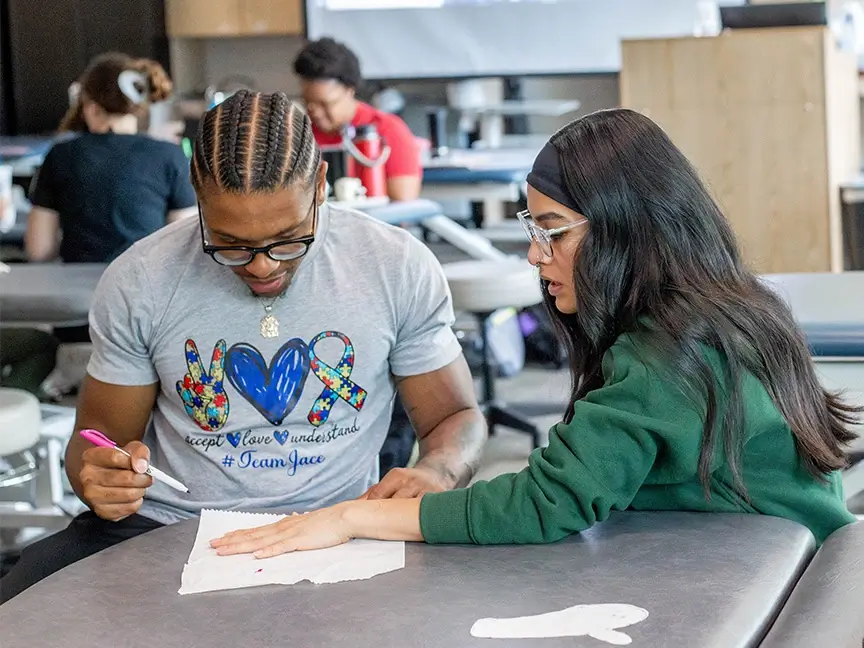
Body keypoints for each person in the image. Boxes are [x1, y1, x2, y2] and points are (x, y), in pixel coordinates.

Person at [207, 108, 859, 560]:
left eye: (553, 231)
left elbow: (547, 503)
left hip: (774, 590)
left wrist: (351, 516)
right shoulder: (728, 310)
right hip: (781, 564)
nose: (533, 254)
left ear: (623, 230)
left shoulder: (666, 357)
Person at [0, 90, 486, 604]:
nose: (262, 266)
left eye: (289, 239)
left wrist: (438, 470)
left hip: (338, 526)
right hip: (166, 526)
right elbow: (97, 443)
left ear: (320, 186)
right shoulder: (141, 279)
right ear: (196, 195)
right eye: (229, 244)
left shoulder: (395, 266)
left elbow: (456, 418)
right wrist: (98, 477)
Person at [25, 52, 197, 265]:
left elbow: (39, 250)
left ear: (91, 106)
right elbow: (183, 248)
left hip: (76, 292)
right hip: (143, 289)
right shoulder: (170, 156)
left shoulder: (61, 155)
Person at [294, 38, 422, 202]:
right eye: (308, 103)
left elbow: (404, 200)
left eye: (325, 104)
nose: (316, 112)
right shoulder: (300, 136)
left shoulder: (387, 130)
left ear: (350, 90)